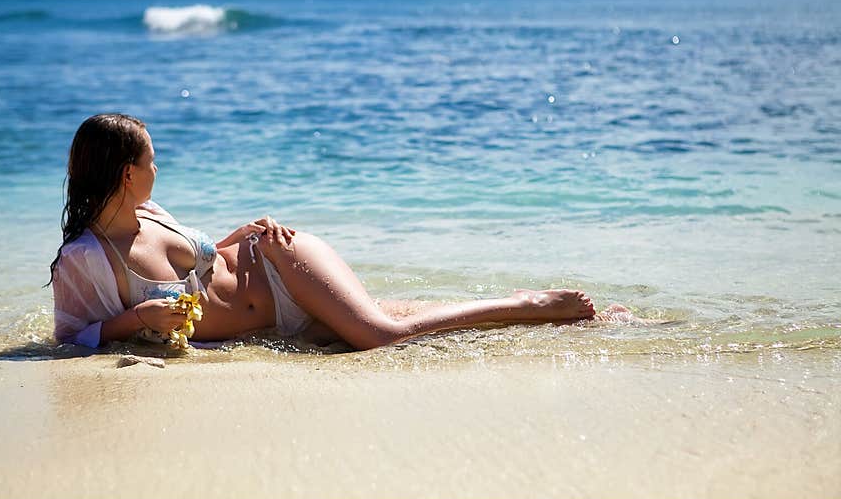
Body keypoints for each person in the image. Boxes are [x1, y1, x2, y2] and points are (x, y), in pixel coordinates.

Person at [49, 114, 633, 352]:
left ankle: (531, 304)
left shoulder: (151, 213)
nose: (158, 170)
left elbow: (205, 264)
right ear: (128, 174)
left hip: (279, 262)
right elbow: (69, 337)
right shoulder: (84, 260)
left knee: (380, 333)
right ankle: (598, 320)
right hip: (273, 312)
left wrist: (239, 235)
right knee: (396, 316)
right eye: (153, 161)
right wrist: (138, 322)